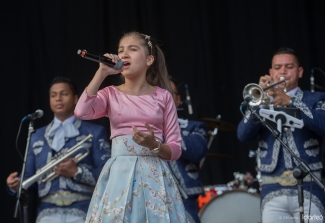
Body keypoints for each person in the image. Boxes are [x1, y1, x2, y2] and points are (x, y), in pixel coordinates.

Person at [74, 31, 188, 222]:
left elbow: (175, 149)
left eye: (132, 49)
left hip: (154, 172)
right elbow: (81, 112)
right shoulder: (110, 93)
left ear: (149, 59)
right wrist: (101, 72)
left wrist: (154, 145)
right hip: (119, 174)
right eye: (121, 50)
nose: (124, 54)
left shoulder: (163, 96)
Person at [237, 47, 325, 222]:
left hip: (309, 186)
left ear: (300, 72)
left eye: (289, 66)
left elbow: (322, 124)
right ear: (271, 72)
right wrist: (258, 103)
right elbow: (242, 134)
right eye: (277, 68)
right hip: (272, 189)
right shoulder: (261, 102)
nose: (283, 71)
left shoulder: (316, 99)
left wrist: (291, 101)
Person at [6, 77, 111, 223]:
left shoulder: (95, 132)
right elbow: (30, 177)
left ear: (76, 99)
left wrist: (77, 172)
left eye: (64, 94)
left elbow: (108, 175)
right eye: (53, 95)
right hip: (47, 212)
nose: (58, 99)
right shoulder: (37, 136)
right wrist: (15, 185)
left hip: (84, 209)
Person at [168, 76, 209, 223]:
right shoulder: (141, 127)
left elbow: (197, 152)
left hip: (184, 200)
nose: (164, 97)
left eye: (169, 93)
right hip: (149, 199)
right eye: (159, 91)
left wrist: (166, 125)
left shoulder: (193, 127)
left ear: (178, 100)